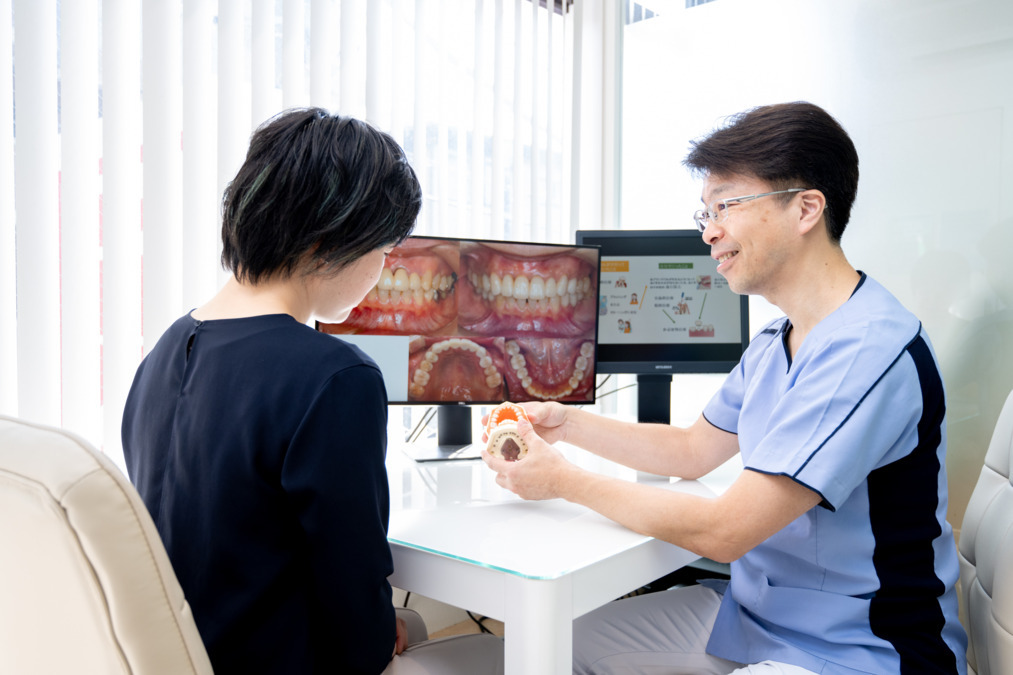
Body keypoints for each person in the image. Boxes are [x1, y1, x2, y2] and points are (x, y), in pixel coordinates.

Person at [482, 102, 968, 674]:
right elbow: (691, 450)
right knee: (548, 652)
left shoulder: (869, 349)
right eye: (705, 212)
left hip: (859, 651)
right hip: (755, 619)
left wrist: (561, 481)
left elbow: (725, 531)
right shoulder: (775, 341)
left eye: (727, 206)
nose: (709, 231)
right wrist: (569, 424)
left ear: (807, 208)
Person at [123, 108, 503, 675]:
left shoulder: (164, 351)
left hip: (196, 657)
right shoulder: (334, 376)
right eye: (384, 249)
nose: (383, 267)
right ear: (332, 240)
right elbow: (353, 592)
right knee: (509, 651)